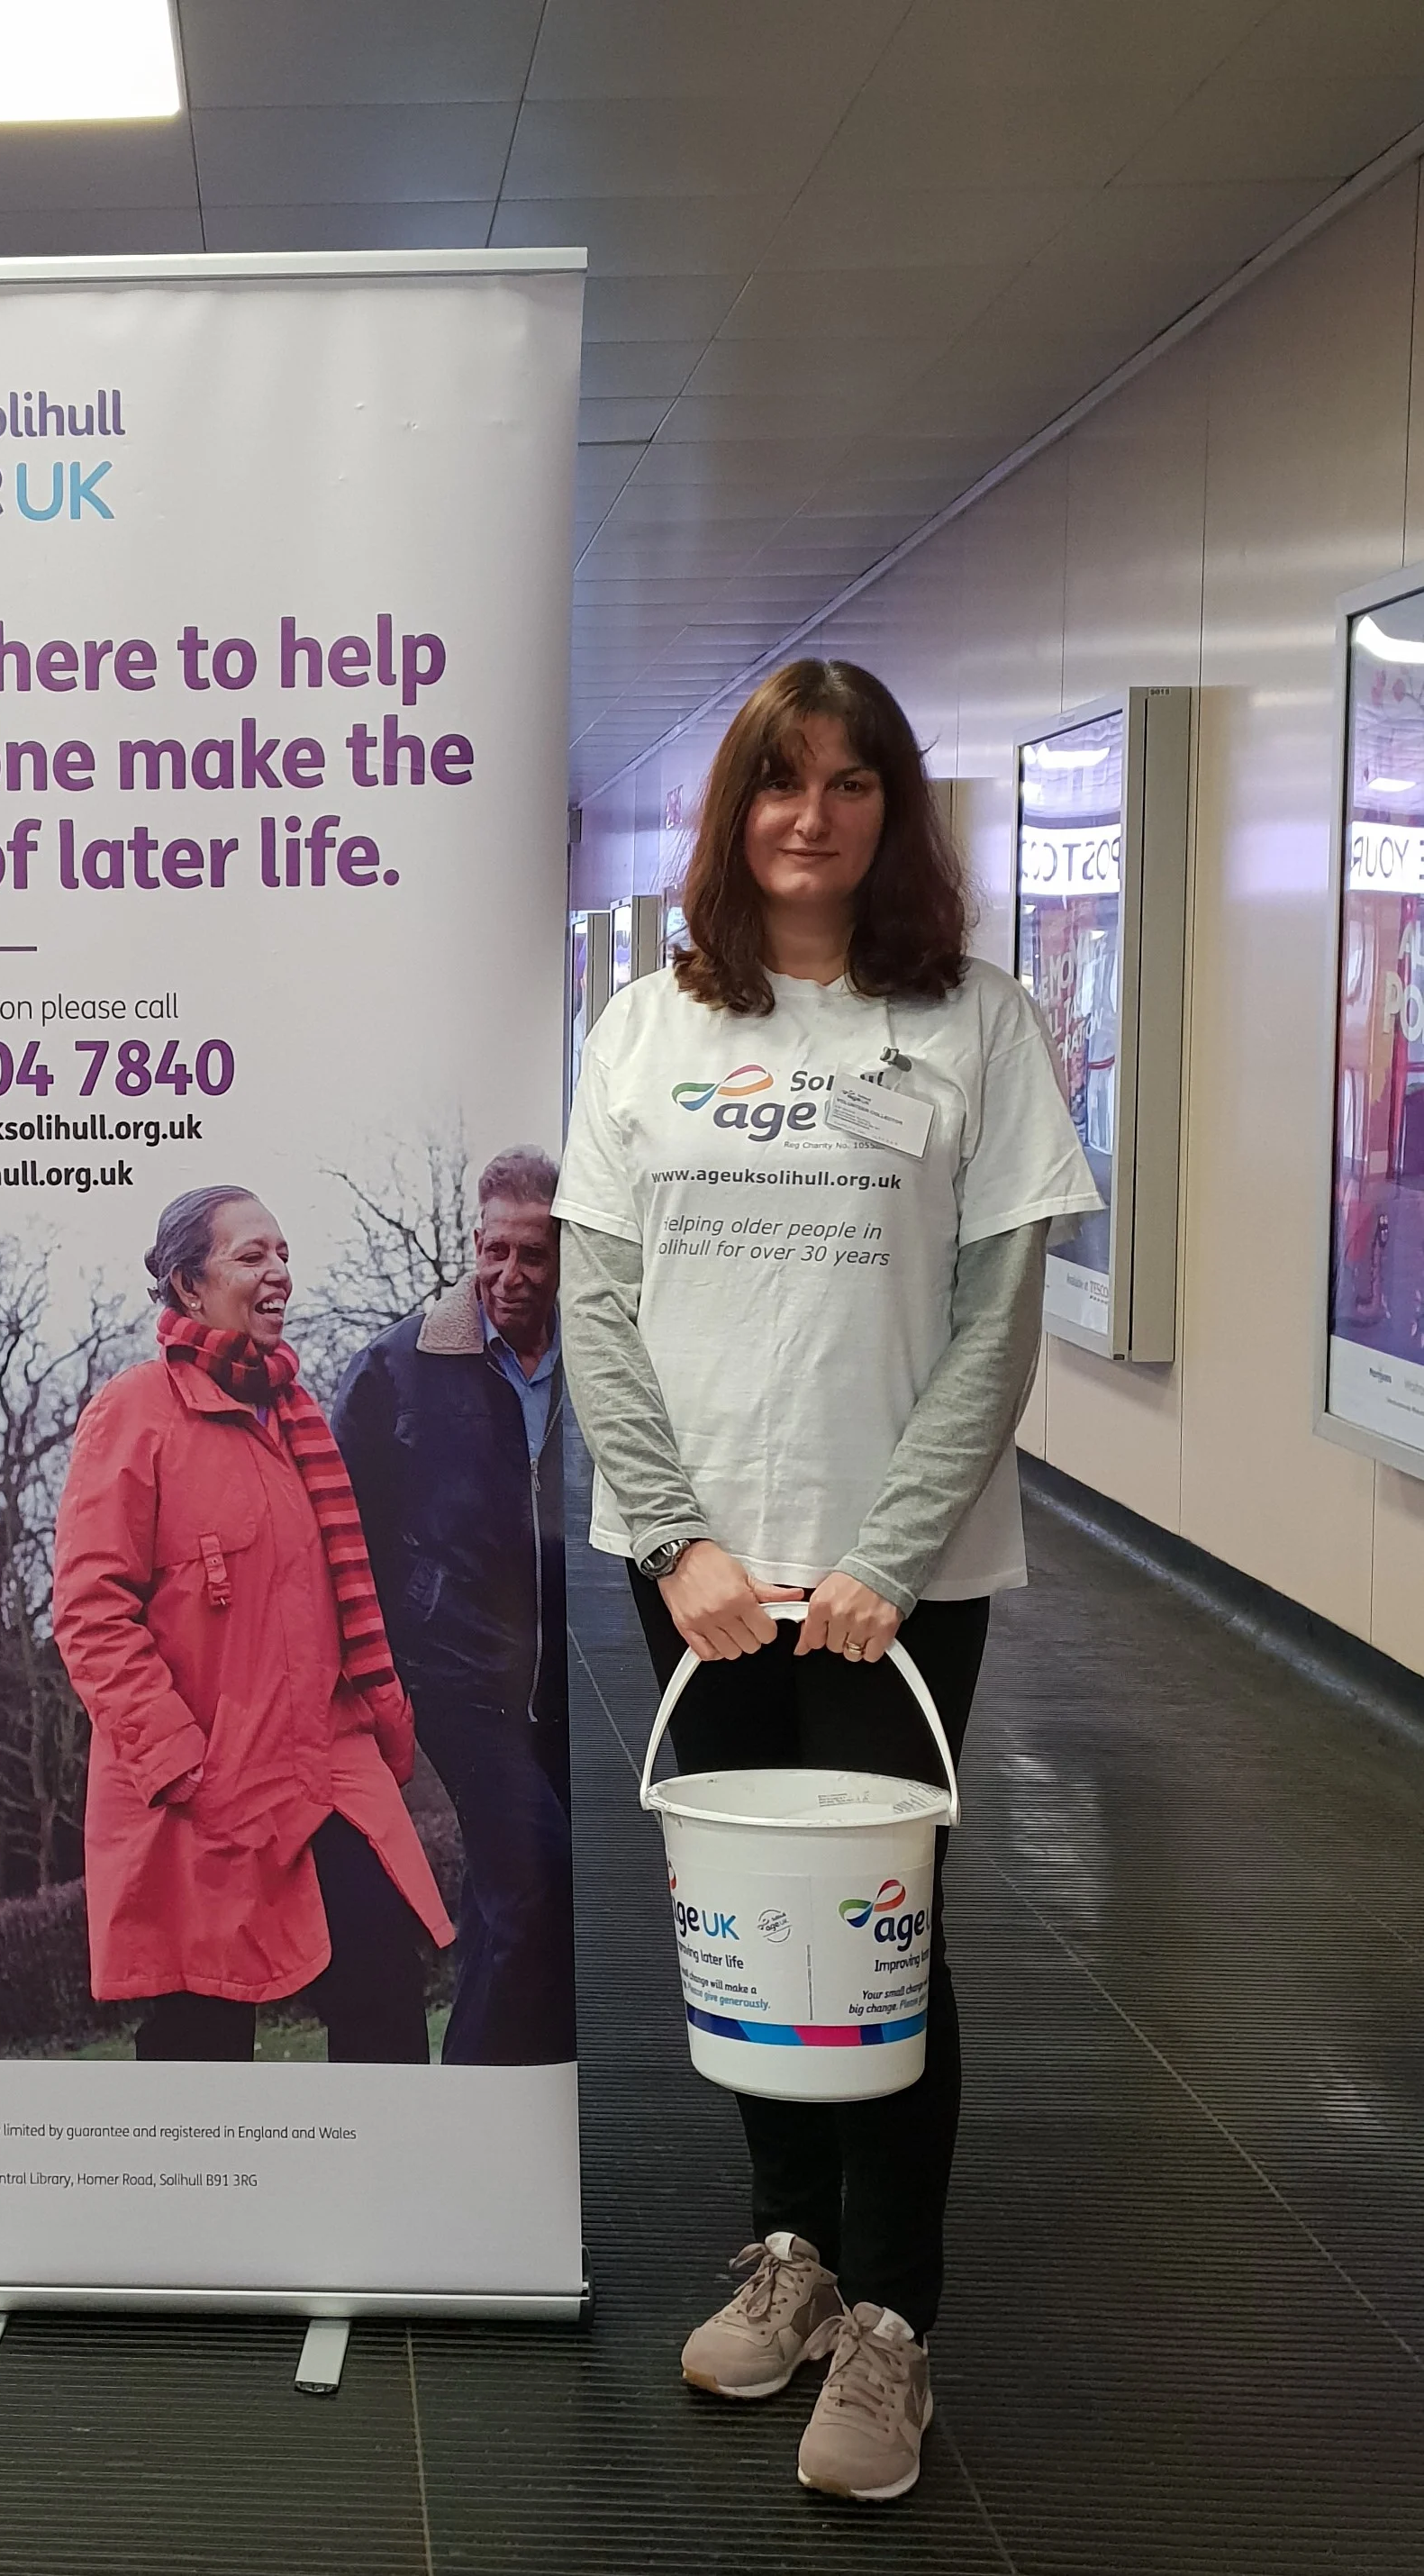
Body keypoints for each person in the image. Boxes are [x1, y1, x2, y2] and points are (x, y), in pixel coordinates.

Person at [558, 658, 1100, 2505]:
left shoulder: (971, 1021)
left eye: (849, 781)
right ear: (731, 811)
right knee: (738, 1926)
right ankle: (785, 2255)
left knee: (874, 1942)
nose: (811, 813)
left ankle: (891, 2325)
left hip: (897, 1576)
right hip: (698, 1573)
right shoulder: (644, 1026)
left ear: (890, 810)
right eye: (779, 781)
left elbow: (994, 1313)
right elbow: (597, 1304)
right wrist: (675, 1531)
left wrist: (883, 1548)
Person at [52, 1186, 456, 2061]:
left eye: (283, 1254)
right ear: (188, 1287)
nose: (278, 1273)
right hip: (194, 1788)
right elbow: (90, 1612)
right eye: (251, 1256)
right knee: (201, 2041)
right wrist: (179, 1762)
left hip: (323, 1763)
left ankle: (377, 2192)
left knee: (384, 1990)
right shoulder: (132, 1413)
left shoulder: (302, 1419)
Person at [331, 1149, 574, 2064]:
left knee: (509, 1895)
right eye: (494, 1251)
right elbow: (341, 1524)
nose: (510, 1275)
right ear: (473, 1243)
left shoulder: (596, 1359)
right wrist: (373, 1665)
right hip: (456, 1674)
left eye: (534, 1256)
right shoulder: (400, 1365)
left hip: (560, 1678)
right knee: (536, 1876)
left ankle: (501, 2093)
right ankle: (480, 2096)